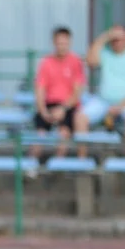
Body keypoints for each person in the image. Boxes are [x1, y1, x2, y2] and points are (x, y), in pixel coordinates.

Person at [82, 25, 125, 158]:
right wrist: (104, 37)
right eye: (114, 39)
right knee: (80, 117)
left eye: (119, 39)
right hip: (103, 101)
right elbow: (90, 61)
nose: (116, 42)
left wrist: (120, 106)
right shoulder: (105, 53)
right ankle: (81, 160)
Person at [30, 26, 85, 161]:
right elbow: (40, 88)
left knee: (63, 134)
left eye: (65, 43)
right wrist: (43, 111)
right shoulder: (46, 62)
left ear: (70, 42)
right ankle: (29, 169)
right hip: (49, 105)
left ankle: (58, 169)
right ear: (54, 43)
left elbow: (77, 91)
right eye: (59, 43)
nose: (62, 46)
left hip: (68, 106)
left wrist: (63, 108)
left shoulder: (75, 62)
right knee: (39, 135)